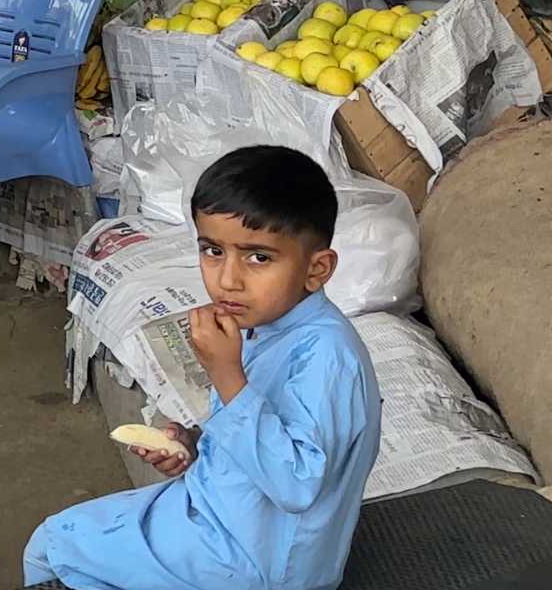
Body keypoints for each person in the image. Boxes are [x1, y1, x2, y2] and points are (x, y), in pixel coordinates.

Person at [23, 147, 380, 590]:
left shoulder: (328, 357)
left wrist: (227, 376)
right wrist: (191, 444)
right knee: (70, 538)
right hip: (222, 517)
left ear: (316, 269)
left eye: (259, 258)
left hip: (252, 562)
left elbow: (295, 484)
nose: (228, 279)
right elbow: (256, 431)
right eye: (213, 250)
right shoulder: (263, 324)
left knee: (53, 546)